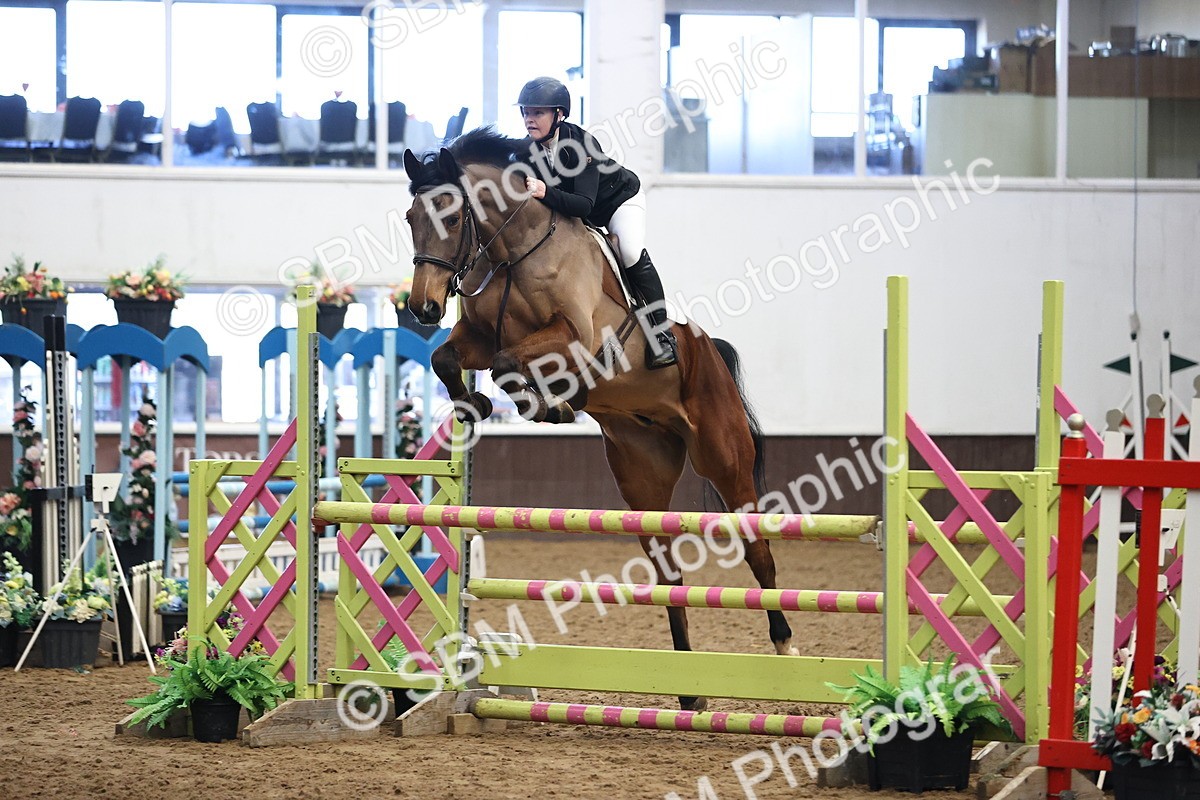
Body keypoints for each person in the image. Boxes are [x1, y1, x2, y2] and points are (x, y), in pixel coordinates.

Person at [516, 76, 677, 370]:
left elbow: (583, 204)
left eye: (538, 113)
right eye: (526, 112)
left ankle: (662, 336)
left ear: (559, 114)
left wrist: (544, 191)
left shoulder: (581, 144)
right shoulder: (527, 150)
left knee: (628, 251)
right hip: (581, 215)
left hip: (618, 203)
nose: (529, 119)